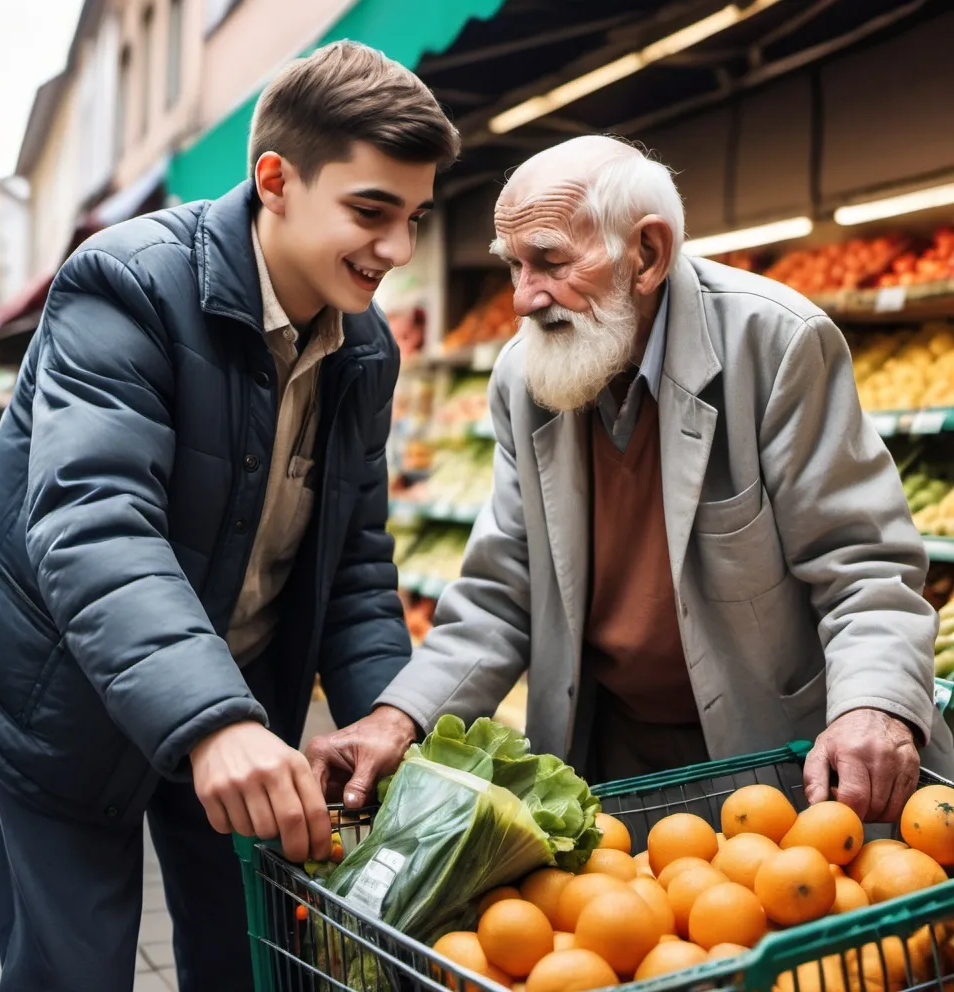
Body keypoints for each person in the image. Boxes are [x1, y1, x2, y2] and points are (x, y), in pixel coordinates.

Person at [0, 42, 458, 992]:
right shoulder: (126, 283)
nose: (396, 247)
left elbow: (354, 565)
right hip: (65, 692)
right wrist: (211, 721)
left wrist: (387, 726)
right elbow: (94, 524)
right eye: (371, 211)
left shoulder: (368, 350)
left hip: (240, 692)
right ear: (276, 182)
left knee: (254, 977)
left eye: (415, 217)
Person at [308, 135, 954, 825]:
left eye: (550, 262)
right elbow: (502, 591)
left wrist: (874, 706)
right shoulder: (524, 381)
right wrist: (400, 718)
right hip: (612, 762)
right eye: (514, 267)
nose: (524, 299)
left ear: (646, 254)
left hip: (784, 760)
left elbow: (863, 566)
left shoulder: (776, 345)